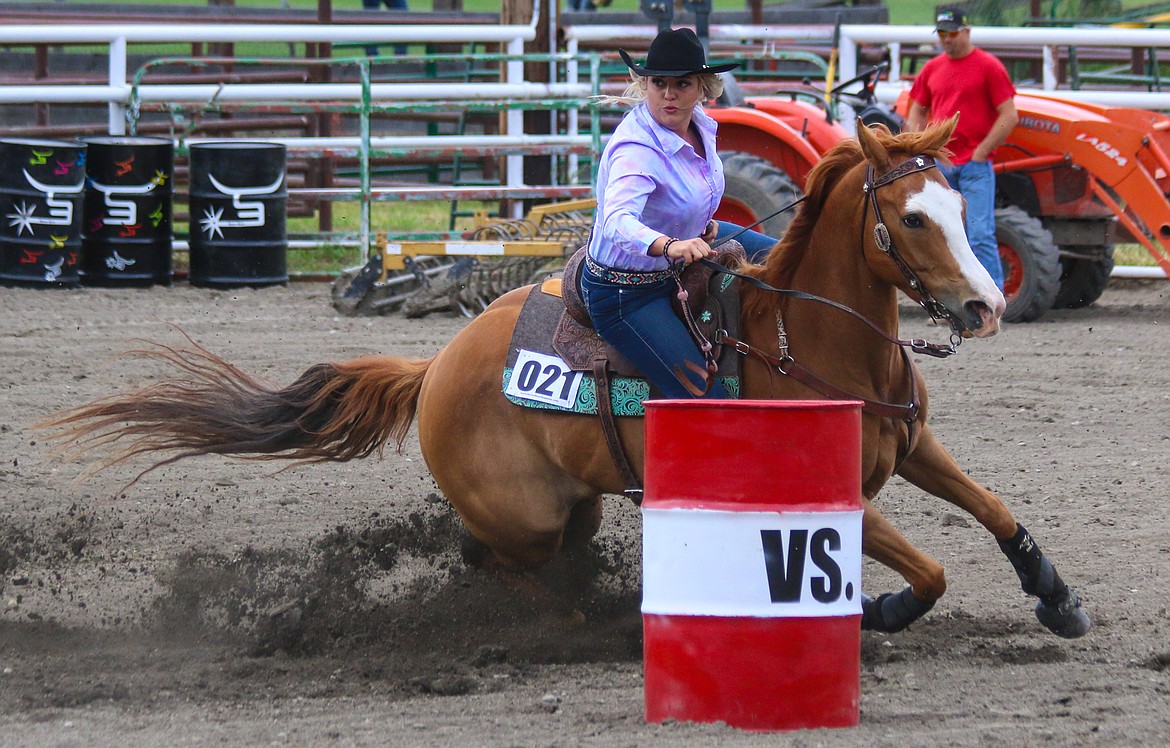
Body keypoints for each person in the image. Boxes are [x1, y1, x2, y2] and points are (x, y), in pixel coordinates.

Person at [581, 27, 777, 400]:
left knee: (788, 258)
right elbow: (617, 221)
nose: (669, 94)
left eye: (682, 84)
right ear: (646, 85)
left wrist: (699, 225)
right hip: (627, 293)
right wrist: (671, 245)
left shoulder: (700, 125)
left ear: (702, 87)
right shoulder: (636, 150)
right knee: (708, 398)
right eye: (659, 83)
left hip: (691, 244)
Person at [905, 8, 1018, 290]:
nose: (946, 39)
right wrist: (919, 147)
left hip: (974, 166)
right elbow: (916, 110)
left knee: (979, 233)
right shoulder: (932, 68)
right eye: (942, 33)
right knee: (944, 235)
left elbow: (1009, 114)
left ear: (966, 32)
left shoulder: (989, 66)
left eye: (952, 33)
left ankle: (993, 295)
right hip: (941, 165)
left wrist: (982, 152)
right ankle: (951, 299)